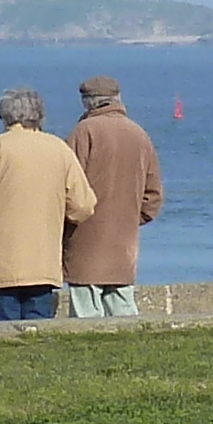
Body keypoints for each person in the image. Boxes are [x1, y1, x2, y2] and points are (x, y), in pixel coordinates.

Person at [0, 87, 96, 322]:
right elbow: (83, 205)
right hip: (42, 257)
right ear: (39, 114)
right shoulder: (59, 149)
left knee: (3, 329)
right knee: (38, 328)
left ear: (5, 116)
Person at [60, 74, 164, 316]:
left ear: (88, 102)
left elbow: (65, 186)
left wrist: (67, 220)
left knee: (85, 307)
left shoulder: (83, 132)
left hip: (83, 236)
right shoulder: (139, 134)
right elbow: (153, 196)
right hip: (124, 240)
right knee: (123, 306)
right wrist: (129, 218)